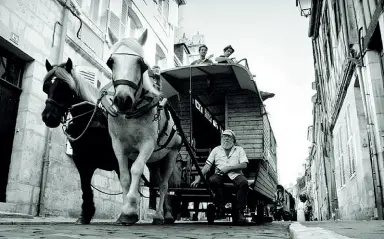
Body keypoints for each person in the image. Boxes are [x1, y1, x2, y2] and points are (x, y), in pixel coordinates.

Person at [191, 129, 249, 222]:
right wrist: (198, 179)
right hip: (219, 174)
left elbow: (244, 164)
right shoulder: (216, 150)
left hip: (235, 174)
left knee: (244, 183)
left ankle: (239, 211)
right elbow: (207, 166)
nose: (226, 139)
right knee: (212, 181)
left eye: (229, 137)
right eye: (224, 137)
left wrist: (229, 168)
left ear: (233, 140)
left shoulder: (239, 149)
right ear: (221, 139)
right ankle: (220, 206)